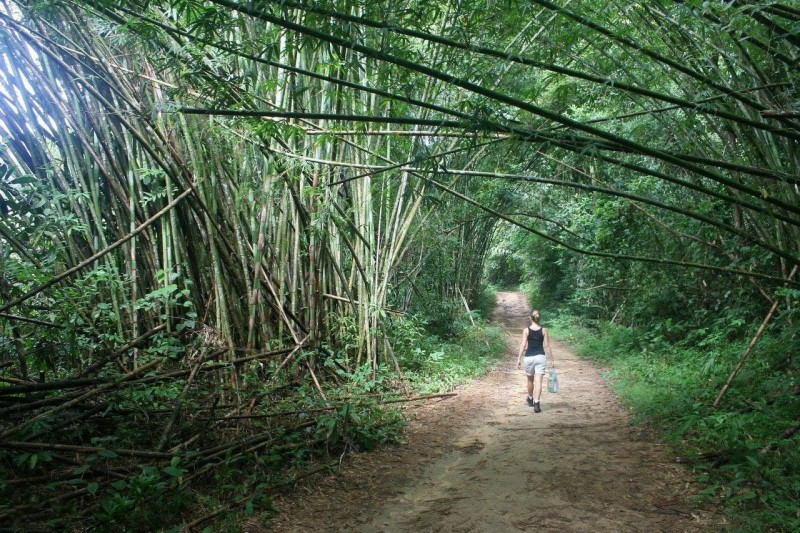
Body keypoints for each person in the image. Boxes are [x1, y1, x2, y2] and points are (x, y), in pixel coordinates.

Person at [516, 309, 551, 412]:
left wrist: (518, 359)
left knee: (530, 380)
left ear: (530, 318)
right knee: (538, 382)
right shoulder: (544, 330)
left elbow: (523, 345)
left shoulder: (526, 330)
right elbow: (548, 346)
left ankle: (530, 398)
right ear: (539, 318)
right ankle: (537, 404)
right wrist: (552, 360)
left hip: (529, 357)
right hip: (540, 357)